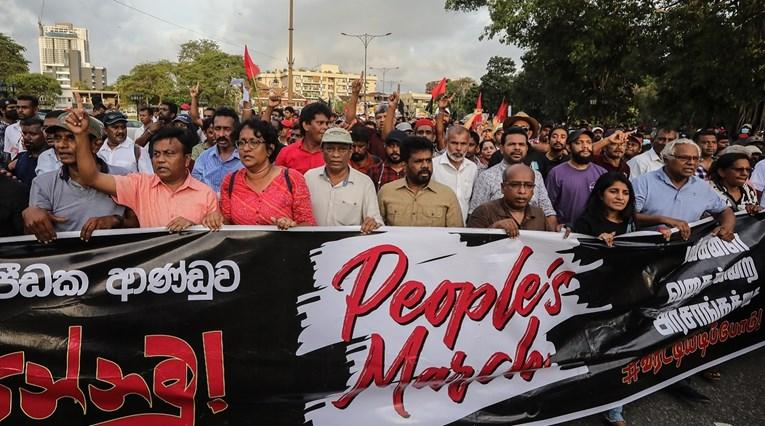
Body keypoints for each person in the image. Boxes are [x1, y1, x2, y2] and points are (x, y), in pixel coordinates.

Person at [70, 109, 218, 232]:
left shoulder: (206, 195)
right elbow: (91, 178)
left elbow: (213, 239)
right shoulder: (140, 185)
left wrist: (194, 229)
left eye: (169, 153)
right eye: (156, 154)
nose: (160, 160)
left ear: (186, 159)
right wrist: (80, 136)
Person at [22, 112, 138, 243]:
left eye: (71, 137)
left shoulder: (124, 178)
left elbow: (141, 224)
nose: (61, 145)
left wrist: (116, 221)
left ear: (96, 144)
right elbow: (36, 237)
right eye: (57, 138)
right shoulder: (43, 184)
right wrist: (31, 217)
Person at [203, 118, 315, 229]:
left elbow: (308, 224)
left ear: (269, 149)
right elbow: (226, 224)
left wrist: (291, 225)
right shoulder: (230, 182)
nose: (246, 148)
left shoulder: (292, 179)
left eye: (254, 142)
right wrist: (215, 219)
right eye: (241, 143)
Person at [632, 138, 735, 241]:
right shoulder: (644, 182)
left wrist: (726, 227)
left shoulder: (701, 186)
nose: (691, 163)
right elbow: (626, 217)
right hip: (648, 247)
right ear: (667, 159)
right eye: (684, 158)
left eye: (695, 159)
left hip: (687, 249)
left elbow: (725, 211)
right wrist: (662, 220)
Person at [470, 126, 559, 230]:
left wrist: (553, 236)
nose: (517, 148)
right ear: (502, 149)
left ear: (527, 148)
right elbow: (475, 216)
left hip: (532, 242)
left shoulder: (536, 176)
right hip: (496, 242)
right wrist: (495, 227)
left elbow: (548, 212)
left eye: (521, 144)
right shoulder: (486, 176)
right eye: (512, 144)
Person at [304, 127, 382, 233]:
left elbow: (376, 221)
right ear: (322, 151)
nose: (336, 155)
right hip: (313, 246)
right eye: (330, 149)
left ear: (350, 152)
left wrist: (372, 223)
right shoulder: (309, 178)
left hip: (349, 246)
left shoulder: (364, 183)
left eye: (342, 149)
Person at [378, 136, 463, 227]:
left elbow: (457, 235)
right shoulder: (387, 192)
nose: (425, 165)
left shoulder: (447, 195)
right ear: (405, 165)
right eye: (418, 161)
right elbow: (378, 229)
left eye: (428, 160)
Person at [468, 164, 552, 236]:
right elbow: (469, 246)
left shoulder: (539, 214)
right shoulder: (484, 211)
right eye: (515, 185)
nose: (522, 191)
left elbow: (550, 246)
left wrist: (563, 235)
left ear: (533, 189)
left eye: (528, 186)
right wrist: (493, 229)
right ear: (503, 188)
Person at [546, 129, 607, 225]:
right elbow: (548, 205)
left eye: (589, 142)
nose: (585, 146)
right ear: (569, 147)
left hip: (594, 231)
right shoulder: (556, 173)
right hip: (564, 233)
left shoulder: (602, 173)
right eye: (579, 143)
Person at [574, 172, 637, 246]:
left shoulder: (630, 221)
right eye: (613, 192)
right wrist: (597, 242)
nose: (620, 197)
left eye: (625, 193)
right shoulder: (585, 223)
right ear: (600, 195)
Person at [431, 125, 478, 221]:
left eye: (463, 144)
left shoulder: (472, 168)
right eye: (454, 143)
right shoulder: (433, 165)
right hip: (437, 227)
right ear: (446, 142)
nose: (459, 148)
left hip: (463, 227)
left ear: (468, 145)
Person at [192, 107, 243, 194]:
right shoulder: (204, 157)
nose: (221, 134)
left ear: (236, 130)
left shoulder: (245, 159)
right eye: (217, 129)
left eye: (227, 129)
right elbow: (195, 185)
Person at [274, 102, 330, 174]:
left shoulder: (333, 154)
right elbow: (277, 182)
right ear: (306, 125)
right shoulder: (286, 153)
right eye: (320, 123)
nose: (325, 127)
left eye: (327, 123)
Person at [12, 116, 49, 186]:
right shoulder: (21, 157)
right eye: (24, 133)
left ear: (45, 135)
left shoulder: (52, 159)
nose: (26, 137)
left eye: (33, 134)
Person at [3, 95, 38, 159]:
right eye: (18, 107)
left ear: (35, 109)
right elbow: (8, 153)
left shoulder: (43, 128)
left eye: (24, 107)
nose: (20, 110)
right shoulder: (10, 129)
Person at [35, 110, 68, 175]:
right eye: (45, 128)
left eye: (53, 128)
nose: (47, 132)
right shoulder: (44, 156)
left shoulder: (82, 156)